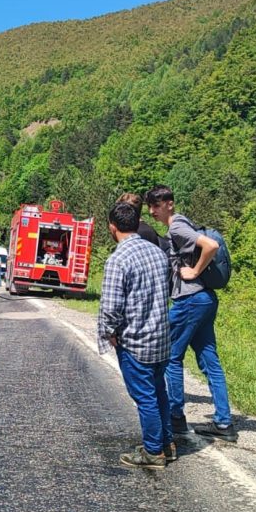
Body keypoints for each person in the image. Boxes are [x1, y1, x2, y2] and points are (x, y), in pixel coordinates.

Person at [145, 185, 237, 442]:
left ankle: (176, 417)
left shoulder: (177, 226)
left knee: (171, 356)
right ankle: (223, 422)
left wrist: (194, 271)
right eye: (150, 206)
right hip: (205, 300)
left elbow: (210, 246)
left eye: (157, 205)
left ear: (169, 204)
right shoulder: (182, 225)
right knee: (210, 361)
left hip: (190, 300)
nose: (153, 210)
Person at [98, 199, 174, 468]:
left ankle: (153, 452)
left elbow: (111, 306)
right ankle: (167, 443)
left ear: (112, 227)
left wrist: (109, 333)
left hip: (136, 341)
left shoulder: (118, 259)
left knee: (144, 397)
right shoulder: (157, 252)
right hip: (161, 338)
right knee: (159, 391)